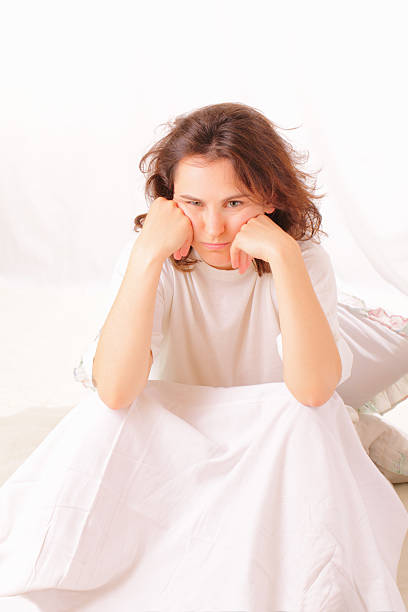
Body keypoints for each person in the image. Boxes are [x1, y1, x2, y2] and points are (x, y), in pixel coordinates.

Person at [0, 102, 407, 611]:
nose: (213, 228)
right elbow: (115, 389)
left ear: (270, 195)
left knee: (313, 417)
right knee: (105, 416)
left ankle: (363, 434)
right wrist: (148, 254)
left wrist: (282, 255)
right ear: (168, 202)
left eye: (235, 203)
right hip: (182, 424)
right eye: (193, 202)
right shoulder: (155, 256)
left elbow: (312, 389)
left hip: (271, 428)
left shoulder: (301, 258)